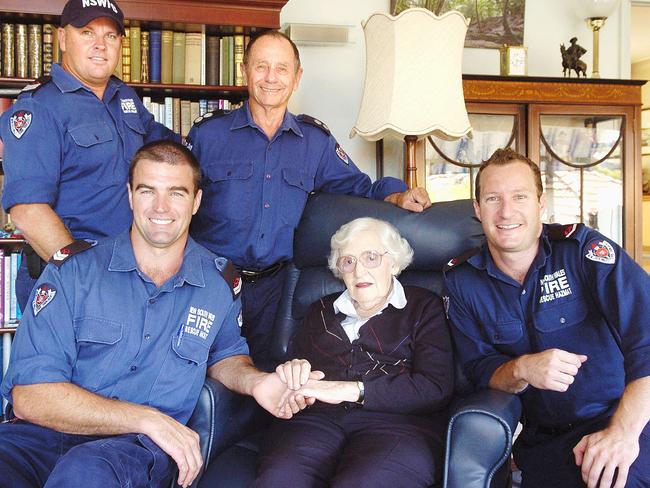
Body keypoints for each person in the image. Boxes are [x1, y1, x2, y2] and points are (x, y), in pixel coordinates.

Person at [0, 141, 310, 488]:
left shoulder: (219, 283)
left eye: (176, 193)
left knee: (87, 472)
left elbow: (226, 357)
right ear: (130, 195)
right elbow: (30, 396)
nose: (161, 207)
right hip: (42, 437)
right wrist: (148, 418)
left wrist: (258, 382)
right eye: (148, 191)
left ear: (196, 202)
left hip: (133, 450)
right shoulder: (73, 271)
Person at [186, 30, 431, 368]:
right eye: (261, 66)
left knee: (268, 375)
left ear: (297, 77)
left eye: (282, 68)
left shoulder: (314, 141)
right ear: (244, 71)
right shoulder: (207, 134)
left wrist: (398, 194)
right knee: (196, 367)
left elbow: (358, 185)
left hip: (275, 289)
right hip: (211, 278)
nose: (271, 77)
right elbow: (174, 195)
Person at [443, 148, 650, 488]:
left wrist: (622, 434)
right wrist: (523, 368)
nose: (507, 211)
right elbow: (480, 369)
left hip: (624, 420)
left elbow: (646, 337)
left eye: (520, 197)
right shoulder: (461, 281)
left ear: (541, 205)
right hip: (544, 445)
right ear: (478, 210)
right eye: (493, 199)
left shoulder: (584, 252)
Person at [0, 0, 179, 312]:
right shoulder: (39, 107)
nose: (100, 45)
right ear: (63, 38)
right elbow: (28, 211)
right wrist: (87, 282)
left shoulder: (123, 97)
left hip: (129, 276)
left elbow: (164, 146)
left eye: (110, 36)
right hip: (68, 282)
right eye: (87, 33)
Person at [253, 217, 453, 487]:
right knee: (279, 479)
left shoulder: (424, 307)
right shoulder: (320, 310)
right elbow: (297, 374)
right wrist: (293, 374)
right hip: (317, 422)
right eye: (348, 261)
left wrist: (350, 389)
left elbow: (434, 388)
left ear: (393, 263)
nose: (359, 272)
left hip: (398, 425)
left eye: (371, 257)